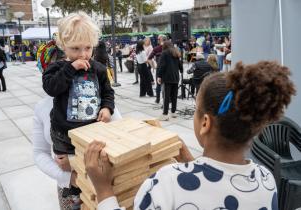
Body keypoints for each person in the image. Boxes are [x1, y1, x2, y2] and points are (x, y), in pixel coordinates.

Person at [84, 61, 296, 210]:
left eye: (196, 109)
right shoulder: (266, 180)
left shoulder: (167, 183)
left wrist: (103, 190)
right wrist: (194, 163)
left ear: (205, 123)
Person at [42, 11, 115, 207]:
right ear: (62, 46)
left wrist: (107, 108)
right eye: (75, 48)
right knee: (68, 171)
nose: (83, 54)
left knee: (92, 172)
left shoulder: (98, 68)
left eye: (88, 48)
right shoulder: (57, 68)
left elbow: (108, 93)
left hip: (91, 132)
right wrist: (71, 68)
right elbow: (51, 88)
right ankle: (71, 194)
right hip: (63, 135)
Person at [157, 41, 182, 121]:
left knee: (166, 96)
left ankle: (165, 114)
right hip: (175, 77)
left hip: (167, 78)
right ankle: (173, 112)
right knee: (174, 96)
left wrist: (159, 76)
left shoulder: (164, 53)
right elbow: (180, 66)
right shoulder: (176, 52)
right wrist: (181, 70)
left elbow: (162, 66)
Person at [148, 34, 167, 103]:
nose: (157, 40)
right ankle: (164, 99)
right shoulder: (169, 48)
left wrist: (154, 66)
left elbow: (149, 58)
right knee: (164, 84)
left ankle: (158, 99)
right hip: (166, 69)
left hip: (160, 69)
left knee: (159, 84)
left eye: (159, 39)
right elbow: (149, 58)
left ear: (162, 40)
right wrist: (153, 66)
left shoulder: (156, 48)